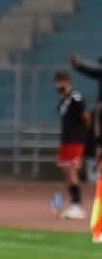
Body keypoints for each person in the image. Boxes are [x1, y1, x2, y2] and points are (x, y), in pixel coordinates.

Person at [52, 71, 90, 220]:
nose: (58, 84)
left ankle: (78, 206)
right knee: (65, 172)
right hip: (65, 140)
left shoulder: (75, 97)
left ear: (67, 82)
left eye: (61, 81)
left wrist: (83, 133)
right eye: (57, 81)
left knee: (72, 170)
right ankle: (73, 203)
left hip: (75, 140)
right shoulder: (63, 100)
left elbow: (85, 116)